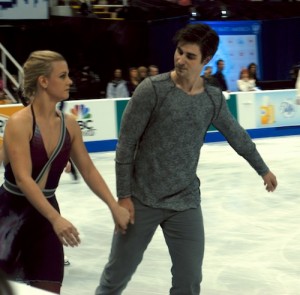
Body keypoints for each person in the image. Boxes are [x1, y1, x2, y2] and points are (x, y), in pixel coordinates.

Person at [95, 23, 277, 295]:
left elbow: (236, 134)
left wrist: (263, 169)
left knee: (189, 281)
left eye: (190, 56)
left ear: (205, 60)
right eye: (179, 52)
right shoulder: (152, 90)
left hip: (185, 201)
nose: (180, 59)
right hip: (142, 199)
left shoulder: (212, 98)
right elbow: (126, 145)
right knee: (116, 276)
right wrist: (124, 196)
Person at [0, 50, 130, 294]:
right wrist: (55, 219)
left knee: (49, 287)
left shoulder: (69, 123)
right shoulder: (19, 123)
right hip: (10, 216)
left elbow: (88, 170)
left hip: (45, 217)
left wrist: (113, 206)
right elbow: (23, 179)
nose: (70, 81)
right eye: (63, 75)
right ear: (44, 81)